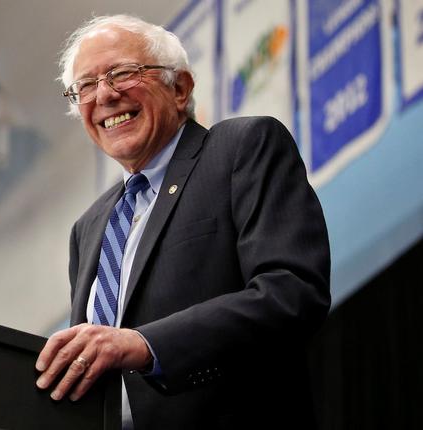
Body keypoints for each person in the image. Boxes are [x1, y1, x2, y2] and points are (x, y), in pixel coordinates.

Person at [34, 15, 331, 429]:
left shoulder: (240, 149)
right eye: (85, 85)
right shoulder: (89, 228)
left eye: (122, 73)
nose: (104, 94)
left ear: (180, 88)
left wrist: (145, 344)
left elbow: (292, 292)